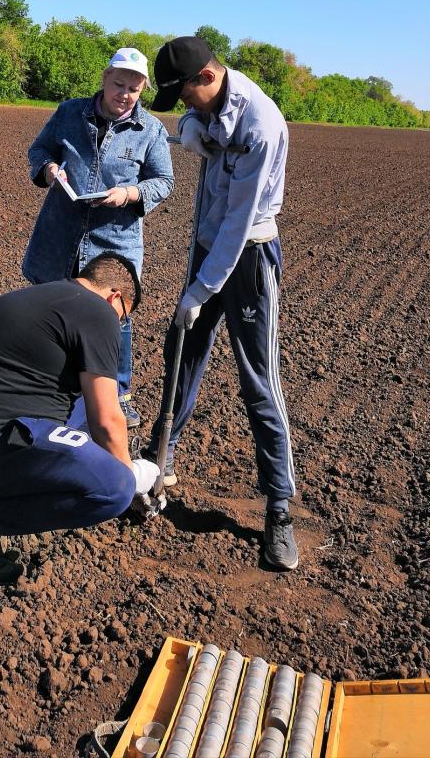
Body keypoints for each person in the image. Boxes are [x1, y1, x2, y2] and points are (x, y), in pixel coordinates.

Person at [146, 36, 299, 570]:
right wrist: (193, 131)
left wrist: (200, 289)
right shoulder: (209, 103)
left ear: (205, 79)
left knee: (258, 382)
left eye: (184, 98)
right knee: (180, 351)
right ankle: (159, 460)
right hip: (208, 246)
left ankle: (278, 509)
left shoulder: (262, 125)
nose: (183, 107)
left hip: (249, 258)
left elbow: (239, 224)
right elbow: (190, 129)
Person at [0, 253, 160, 583]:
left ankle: (92, 469)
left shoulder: (56, 298)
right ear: (114, 296)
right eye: (123, 318)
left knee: (88, 409)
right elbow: (108, 420)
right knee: (114, 489)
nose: (120, 326)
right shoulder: (99, 312)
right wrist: (131, 476)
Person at [22, 47, 174, 428]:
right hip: (61, 233)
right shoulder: (69, 112)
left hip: (114, 240)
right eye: (119, 84)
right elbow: (39, 150)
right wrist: (50, 169)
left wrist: (131, 193)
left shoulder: (151, 129)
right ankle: (48, 388)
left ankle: (118, 395)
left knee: (114, 318)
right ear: (105, 78)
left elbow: (163, 181)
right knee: (53, 308)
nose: (125, 93)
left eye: (134, 89)